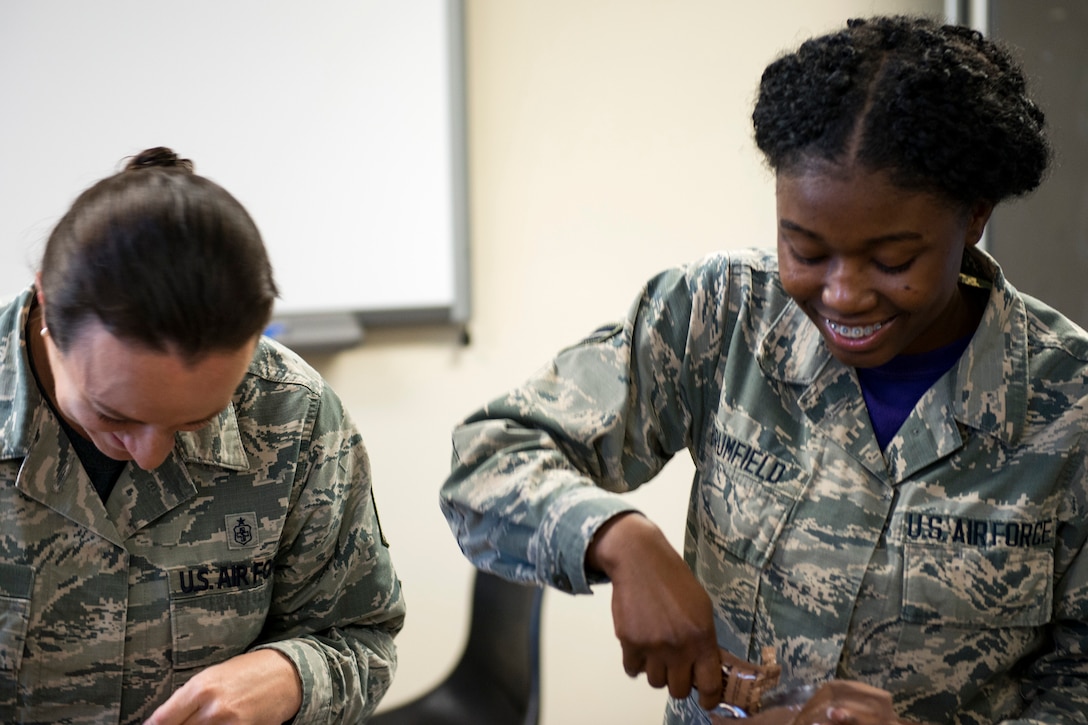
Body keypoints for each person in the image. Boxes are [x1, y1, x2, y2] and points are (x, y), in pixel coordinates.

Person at [440, 15, 1088, 724]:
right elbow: (487, 459)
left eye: (892, 261)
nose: (843, 293)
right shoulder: (721, 316)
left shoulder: (1069, 405)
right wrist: (618, 537)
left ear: (975, 218)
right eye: (806, 251)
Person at [0, 147, 405, 724]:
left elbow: (362, 637)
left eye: (196, 421)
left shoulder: (292, 414)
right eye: (114, 415)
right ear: (46, 303)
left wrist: (292, 677)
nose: (152, 454)